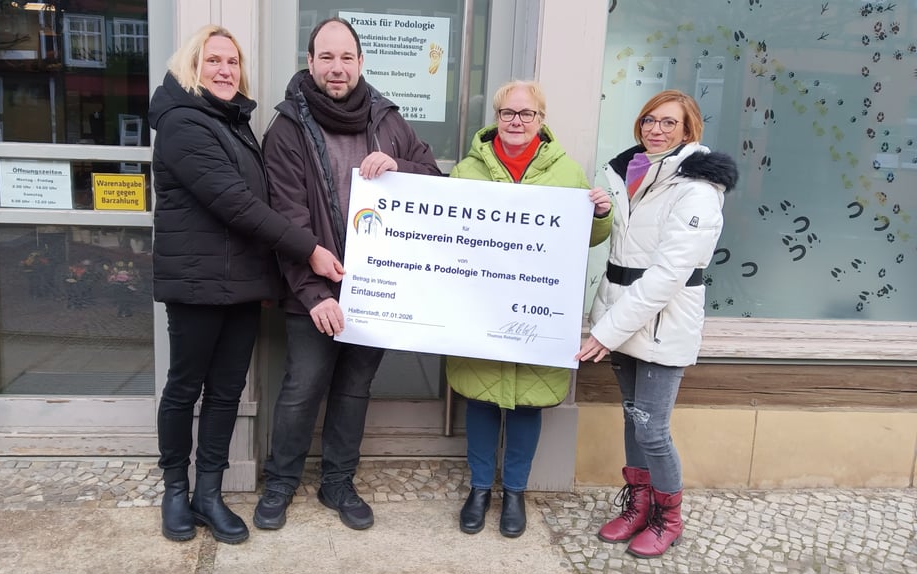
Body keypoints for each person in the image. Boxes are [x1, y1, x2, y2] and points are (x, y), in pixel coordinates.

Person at [148, 24, 344, 545]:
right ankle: (175, 489)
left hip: (242, 285)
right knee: (185, 388)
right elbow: (237, 203)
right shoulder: (182, 123)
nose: (224, 70)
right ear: (193, 66)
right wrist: (310, 249)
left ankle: (208, 494)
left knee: (226, 392)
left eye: (232, 62)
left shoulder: (232, 123)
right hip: (196, 283)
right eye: (214, 61)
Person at [252, 17, 442, 532]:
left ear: (360, 62)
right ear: (310, 63)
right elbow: (286, 216)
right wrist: (315, 293)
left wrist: (402, 167)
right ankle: (282, 482)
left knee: (355, 387)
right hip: (311, 290)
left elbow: (438, 184)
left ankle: (338, 482)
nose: (337, 68)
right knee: (301, 387)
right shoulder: (288, 126)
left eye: (346, 58)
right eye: (327, 58)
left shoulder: (388, 121)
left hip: (377, 289)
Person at [446, 80, 613, 538]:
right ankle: (480, 489)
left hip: (536, 310)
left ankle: (514, 492)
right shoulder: (466, 172)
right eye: (508, 113)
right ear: (496, 117)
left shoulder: (567, 173)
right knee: (480, 399)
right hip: (482, 308)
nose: (516, 122)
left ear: (541, 120)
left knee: (526, 403)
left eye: (526, 114)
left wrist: (600, 215)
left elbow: (591, 239)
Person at [577, 89, 738, 557]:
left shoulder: (697, 190)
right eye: (649, 120)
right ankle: (639, 506)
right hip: (622, 313)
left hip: (663, 322)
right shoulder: (629, 173)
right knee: (632, 419)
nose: (656, 129)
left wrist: (606, 332)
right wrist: (606, 210)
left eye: (669, 123)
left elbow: (668, 275)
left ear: (688, 131)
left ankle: (669, 517)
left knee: (652, 427)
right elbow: (624, 254)